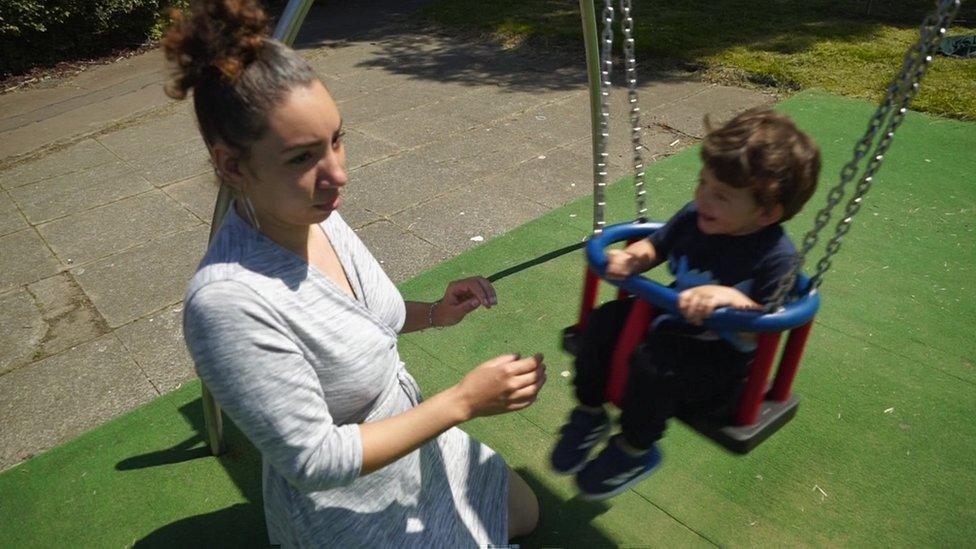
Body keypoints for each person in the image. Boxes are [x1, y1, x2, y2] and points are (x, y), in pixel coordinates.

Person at [166, 0, 546, 545]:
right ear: (232, 166)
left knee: (525, 514)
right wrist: (462, 401)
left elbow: (361, 322)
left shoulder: (312, 214)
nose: (338, 173)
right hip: (349, 503)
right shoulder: (228, 303)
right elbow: (316, 460)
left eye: (337, 139)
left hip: (416, 440)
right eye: (302, 158)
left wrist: (437, 313)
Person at [550, 108, 821, 500]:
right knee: (603, 323)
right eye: (702, 183)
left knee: (654, 366)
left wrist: (729, 299)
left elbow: (763, 323)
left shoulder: (776, 257)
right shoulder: (697, 216)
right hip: (670, 316)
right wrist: (633, 259)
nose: (702, 198)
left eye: (721, 195)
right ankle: (589, 413)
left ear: (766, 212)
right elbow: (655, 246)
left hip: (721, 355)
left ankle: (635, 449)